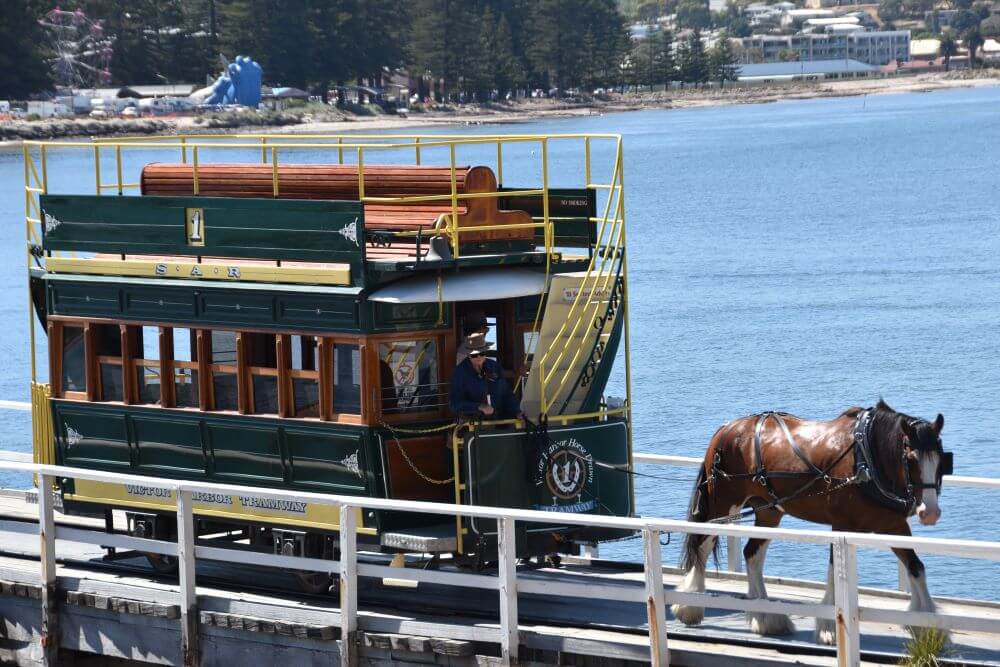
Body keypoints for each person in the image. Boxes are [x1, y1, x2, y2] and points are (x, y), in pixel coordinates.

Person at [449, 333, 521, 420]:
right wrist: (479, 406)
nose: (479, 357)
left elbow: (506, 394)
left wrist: (517, 412)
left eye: (482, 353)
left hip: (500, 421)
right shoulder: (459, 372)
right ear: (468, 355)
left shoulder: (495, 367)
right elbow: (454, 404)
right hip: (473, 424)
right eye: (474, 355)